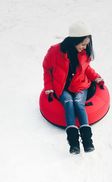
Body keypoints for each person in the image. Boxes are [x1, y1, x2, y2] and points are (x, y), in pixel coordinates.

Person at [42, 21, 104, 154]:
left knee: (78, 104)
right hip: (62, 87)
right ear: (74, 41)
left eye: (86, 44)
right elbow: (47, 69)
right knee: (69, 103)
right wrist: (48, 86)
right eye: (82, 44)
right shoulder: (55, 51)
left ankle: (88, 142)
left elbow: (86, 69)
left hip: (81, 86)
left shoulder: (84, 53)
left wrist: (96, 77)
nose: (84, 47)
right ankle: (74, 144)